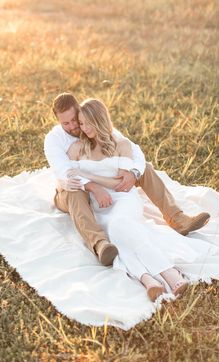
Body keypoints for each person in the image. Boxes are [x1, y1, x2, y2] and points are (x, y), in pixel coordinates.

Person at [44, 93, 210, 267]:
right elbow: (66, 173)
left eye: (74, 120)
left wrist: (133, 173)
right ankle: (99, 244)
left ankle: (177, 219)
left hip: (101, 179)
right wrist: (93, 186)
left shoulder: (95, 123)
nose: (73, 127)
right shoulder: (54, 140)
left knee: (145, 168)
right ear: (57, 121)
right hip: (68, 189)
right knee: (75, 191)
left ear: (79, 111)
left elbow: (133, 150)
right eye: (65, 123)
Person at [65, 98, 196, 301]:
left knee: (118, 225)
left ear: (100, 119)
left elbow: (119, 182)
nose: (84, 128)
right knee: (115, 236)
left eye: (88, 122)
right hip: (100, 207)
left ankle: (162, 274)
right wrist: (90, 185)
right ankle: (152, 279)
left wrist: (91, 177)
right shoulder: (76, 149)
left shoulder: (122, 145)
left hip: (124, 199)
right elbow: (68, 177)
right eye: (81, 123)